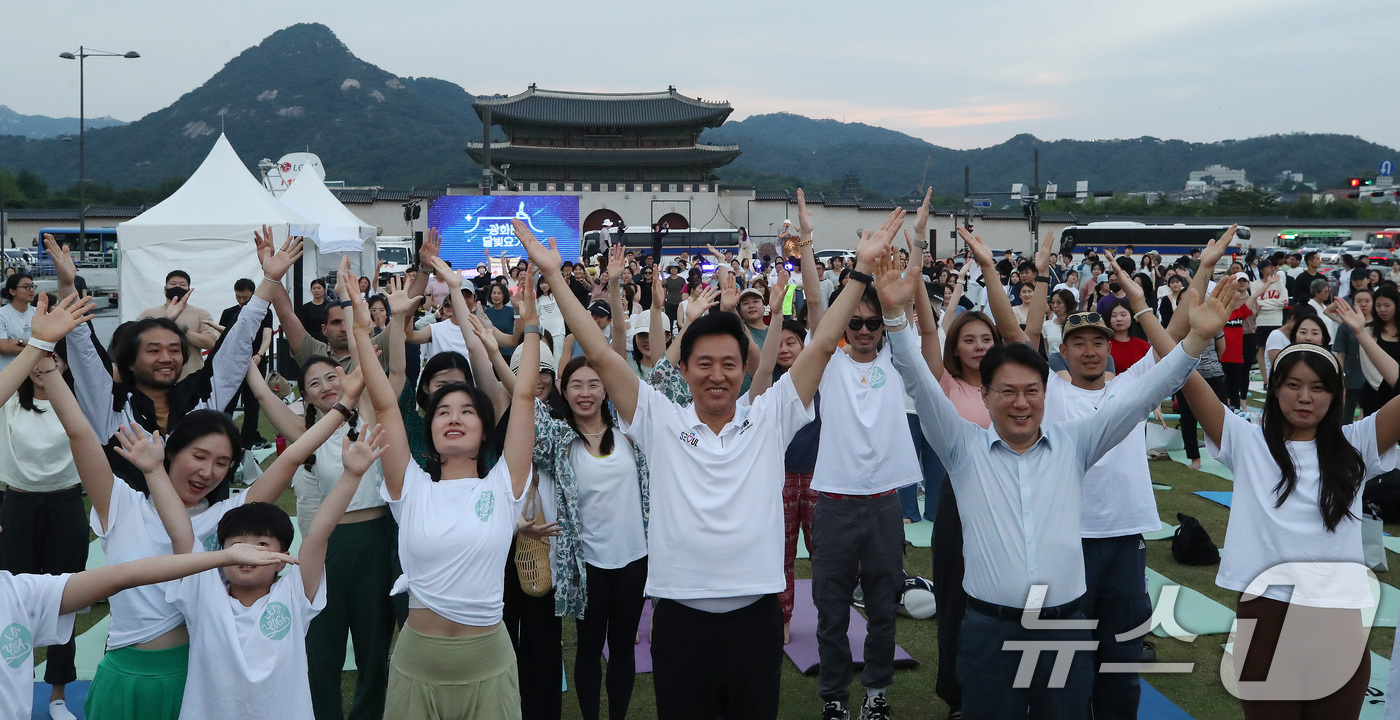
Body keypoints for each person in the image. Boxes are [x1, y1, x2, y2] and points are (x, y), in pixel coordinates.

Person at [516, 204, 894, 720]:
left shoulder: (770, 416)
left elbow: (825, 341)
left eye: (729, 364)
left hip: (755, 619)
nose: (717, 376)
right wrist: (556, 276)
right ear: (686, 368)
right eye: (704, 364)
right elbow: (600, 354)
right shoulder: (659, 419)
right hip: (680, 620)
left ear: (745, 368)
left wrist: (861, 272)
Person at [876, 245, 1232, 718]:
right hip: (988, 627)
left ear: (1047, 393)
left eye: (1030, 392)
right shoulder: (962, 448)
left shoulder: (1075, 443)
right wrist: (895, 318)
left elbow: (1151, 387)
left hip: (1063, 628)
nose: (1020, 403)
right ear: (985, 395)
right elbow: (919, 382)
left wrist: (1196, 340)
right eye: (1006, 392)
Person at [1183, 315, 1400, 719]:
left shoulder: (1358, 443)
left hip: (1339, 626)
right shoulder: (1247, 441)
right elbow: (1181, 372)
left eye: (1319, 388)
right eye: (1294, 385)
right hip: (1265, 618)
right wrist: (1157, 315)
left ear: (1335, 395)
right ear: (1275, 387)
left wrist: (1359, 335)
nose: (1305, 397)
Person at [369, 247, 541, 718]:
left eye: (467, 411)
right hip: (415, 662)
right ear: (429, 430)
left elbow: (523, 395)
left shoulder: (503, 486)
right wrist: (375, 325)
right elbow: (385, 402)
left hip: (489, 661)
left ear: (485, 430)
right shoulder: (412, 489)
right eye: (443, 411)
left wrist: (530, 326)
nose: (454, 418)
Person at [139, 414, 386, 720]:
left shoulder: (295, 593)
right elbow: (181, 533)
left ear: (283, 556)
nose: (248, 555)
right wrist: (153, 470)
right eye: (237, 545)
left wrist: (351, 476)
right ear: (220, 554)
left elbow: (319, 533)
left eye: (261, 546)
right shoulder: (203, 589)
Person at [52, 232, 295, 491]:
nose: (166, 358)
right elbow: (86, 355)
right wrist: (68, 287)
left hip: (201, 527)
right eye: (154, 351)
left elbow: (235, 345)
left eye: (175, 350)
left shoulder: (201, 400)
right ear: (130, 362)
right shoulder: (112, 408)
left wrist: (269, 280)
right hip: (133, 528)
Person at [531, 353, 651, 720]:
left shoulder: (632, 433)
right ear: (563, 391)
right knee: (588, 647)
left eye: (594, 384)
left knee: (623, 647)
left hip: (634, 559)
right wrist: (490, 350)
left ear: (606, 390)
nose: (585, 393)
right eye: (576, 385)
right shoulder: (558, 439)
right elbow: (520, 398)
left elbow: (660, 373)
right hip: (588, 567)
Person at [216, 278, 273, 449]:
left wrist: (260, 354)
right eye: (238, 297)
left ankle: (247, 445)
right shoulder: (229, 313)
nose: (241, 301)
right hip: (232, 365)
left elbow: (267, 336)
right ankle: (225, 442)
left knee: (252, 406)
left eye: (246, 297)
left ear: (253, 295)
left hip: (256, 364)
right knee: (228, 405)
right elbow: (224, 337)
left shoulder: (264, 313)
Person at [137, 270, 220, 380]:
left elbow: (211, 343)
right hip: (156, 378)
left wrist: (182, 329)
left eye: (182, 285)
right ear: (165, 289)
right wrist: (168, 321)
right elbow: (137, 342)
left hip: (192, 378)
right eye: (173, 284)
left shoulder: (201, 314)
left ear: (189, 290)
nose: (177, 287)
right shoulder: (148, 314)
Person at [1334, 288, 1375, 422]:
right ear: (1353, 303)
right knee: (1346, 415)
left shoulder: (1380, 326)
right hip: (1351, 377)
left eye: (1367, 301)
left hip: (1374, 379)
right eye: (1359, 301)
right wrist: (1340, 376)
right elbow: (1341, 354)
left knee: (1371, 416)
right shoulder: (1345, 326)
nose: (1363, 304)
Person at [0, 272, 36, 371]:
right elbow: (3, 347)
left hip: (35, 371)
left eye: (32, 286)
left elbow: (48, 341)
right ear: (12, 291)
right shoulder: (2, 314)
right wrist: (36, 348)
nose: (31, 290)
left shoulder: (39, 313)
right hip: (9, 372)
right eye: (26, 287)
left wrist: (16, 342)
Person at [1107, 300, 1150, 371]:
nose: (1118, 319)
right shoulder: (1104, 346)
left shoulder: (1143, 346)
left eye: (1123, 315)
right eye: (1114, 315)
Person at [298, 278, 332, 343]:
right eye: (314, 288)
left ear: (324, 290)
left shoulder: (329, 306)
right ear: (311, 290)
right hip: (310, 341)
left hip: (327, 341)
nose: (316, 291)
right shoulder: (306, 308)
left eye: (319, 288)